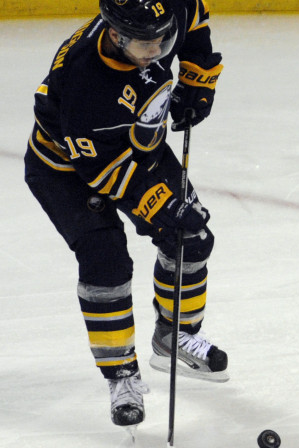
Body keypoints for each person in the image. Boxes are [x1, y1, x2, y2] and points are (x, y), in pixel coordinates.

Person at [24, 0, 228, 428]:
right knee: (106, 259)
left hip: (137, 144)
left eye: (163, 41)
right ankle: (121, 375)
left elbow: (193, 16)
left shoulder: (161, 15)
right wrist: (161, 204)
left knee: (192, 238)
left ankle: (175, 335)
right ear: (115, 35)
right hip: (66, 170)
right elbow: (102, 171)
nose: (157, 51)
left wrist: (198, 77)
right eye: (146, 45)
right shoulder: (83, 82)